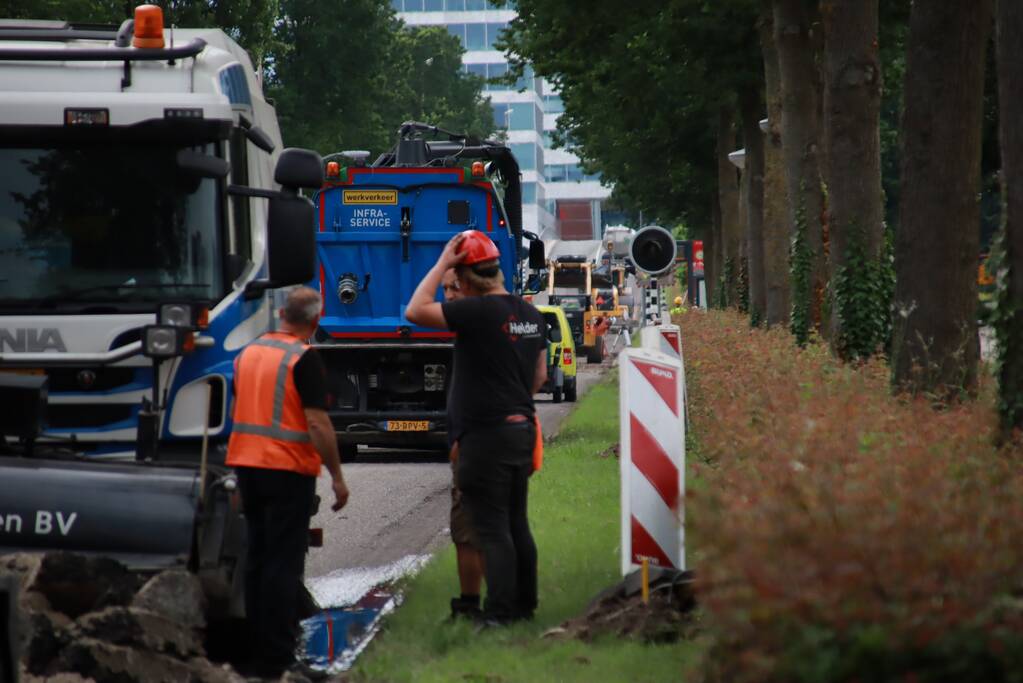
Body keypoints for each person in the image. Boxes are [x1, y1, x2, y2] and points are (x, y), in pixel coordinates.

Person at [407, 231, 546, 625]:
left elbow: (416, 311)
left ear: (464, 278)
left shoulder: (478, 312)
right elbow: (538, 377)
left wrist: (438, 266)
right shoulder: (529, 315)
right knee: (517, 523)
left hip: (485, 436)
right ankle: (525, 606)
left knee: (491, 529)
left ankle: (500, 614)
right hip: (522, 430)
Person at [226, 286, 350, 678]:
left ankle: (252, 650)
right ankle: (278, 658)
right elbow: (317, 423)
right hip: (286, 472)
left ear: (282, 316)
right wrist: (337, 477)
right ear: (314, 321)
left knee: (256, 560)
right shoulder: (303, 358)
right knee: (283, 565)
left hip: (246, 469)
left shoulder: (248, 353)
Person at [441, 268, 486, 619]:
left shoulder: (473, 321)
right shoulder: (510, 317)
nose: (447, 297)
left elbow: (415, 310)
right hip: (498, 440)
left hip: (476, 444)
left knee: (468, 532)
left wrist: (463, 436)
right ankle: (504, 604)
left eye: (450, 289)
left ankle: (475, 606)